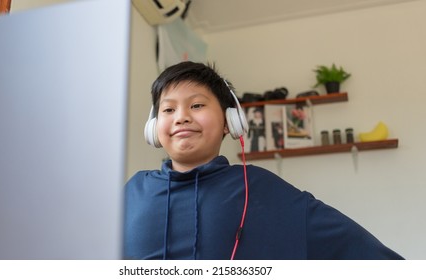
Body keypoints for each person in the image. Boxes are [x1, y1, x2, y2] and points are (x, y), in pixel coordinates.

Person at [123, 61, 403, 260]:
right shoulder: (132, 192)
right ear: (154, 126)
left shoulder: (260, 188)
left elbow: (360, 251)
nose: (181, 116)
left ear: (229, 122)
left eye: (196, 105)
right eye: (169, 108)